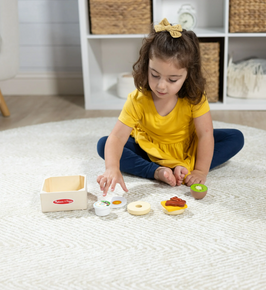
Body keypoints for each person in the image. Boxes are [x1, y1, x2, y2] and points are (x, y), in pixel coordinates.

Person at [97, 18, 244, 196]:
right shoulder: (138, 99)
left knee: (235, 138)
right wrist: (112, 168)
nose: (161, 86)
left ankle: (183, 168)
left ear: (188, 75)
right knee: (104, 144)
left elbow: (205, 134)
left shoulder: (194, 97)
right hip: (150, 149)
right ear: (146, 66)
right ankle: (157, 171)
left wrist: (200, 171)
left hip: (186, 147)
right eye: (155, 75)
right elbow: (117, 137)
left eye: (172, 80)